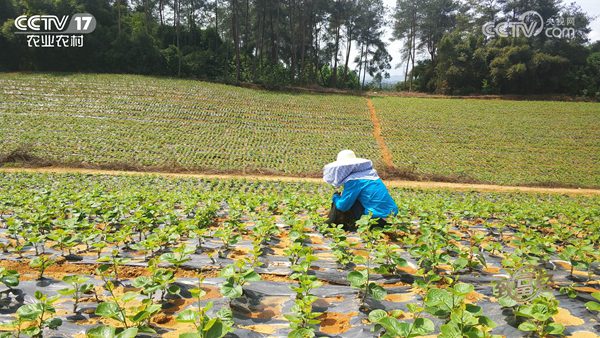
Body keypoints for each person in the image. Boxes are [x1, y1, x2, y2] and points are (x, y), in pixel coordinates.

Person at [323, 150, 398, 229]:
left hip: (376, 218)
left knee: (340, 200)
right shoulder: (370, 176)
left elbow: (343, 206)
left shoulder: (354, 180)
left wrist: (335, 197)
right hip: (392, 217)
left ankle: (336, 226)